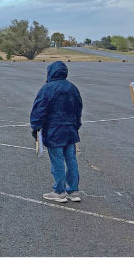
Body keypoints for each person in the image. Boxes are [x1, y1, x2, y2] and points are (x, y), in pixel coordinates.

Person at [30, 61, 83, 203]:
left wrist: (36, 127)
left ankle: (59, 191)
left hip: (54, 130)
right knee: (71, 159)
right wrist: (76, 125)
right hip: (70, 129)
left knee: (57, 160)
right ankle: (74, 190)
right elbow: (78, 109)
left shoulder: (47, 88)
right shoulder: (72, 88)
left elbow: (39, 109)